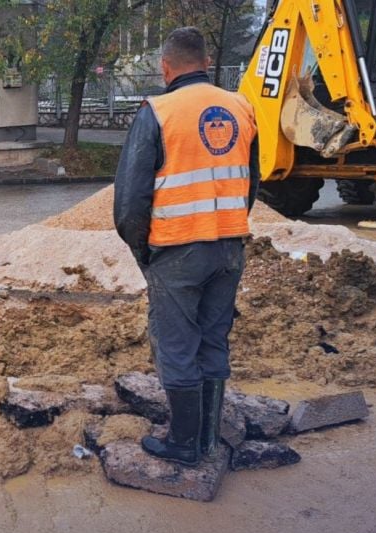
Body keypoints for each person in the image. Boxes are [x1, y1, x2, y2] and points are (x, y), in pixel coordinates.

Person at [114, 27, 260, 466]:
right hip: (230, 245)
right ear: (207, 63)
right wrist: (230, 226)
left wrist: (144, 252)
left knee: (177, 347)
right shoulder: (241, 107)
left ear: (165, 67)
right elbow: (251, 183)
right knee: (213, 340)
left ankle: (182, 444)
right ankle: (208, 439)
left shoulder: (157, 111)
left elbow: (130, 203)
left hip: (178, 250)